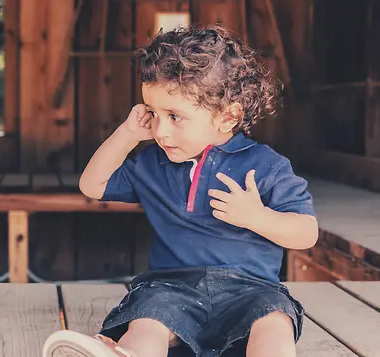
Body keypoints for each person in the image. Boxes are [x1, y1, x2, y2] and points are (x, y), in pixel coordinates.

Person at [42, 25, 318, 357]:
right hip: (172, 289)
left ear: (228, 117)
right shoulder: (152, 165)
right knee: (148, 317)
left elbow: (306, 233)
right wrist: (127, 134)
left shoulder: (267, 166)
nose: (160, 129)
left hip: (250, 292)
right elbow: (92, 185)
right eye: (154, 114)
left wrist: (257, 217)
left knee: (275, 319)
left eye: (175, 116)